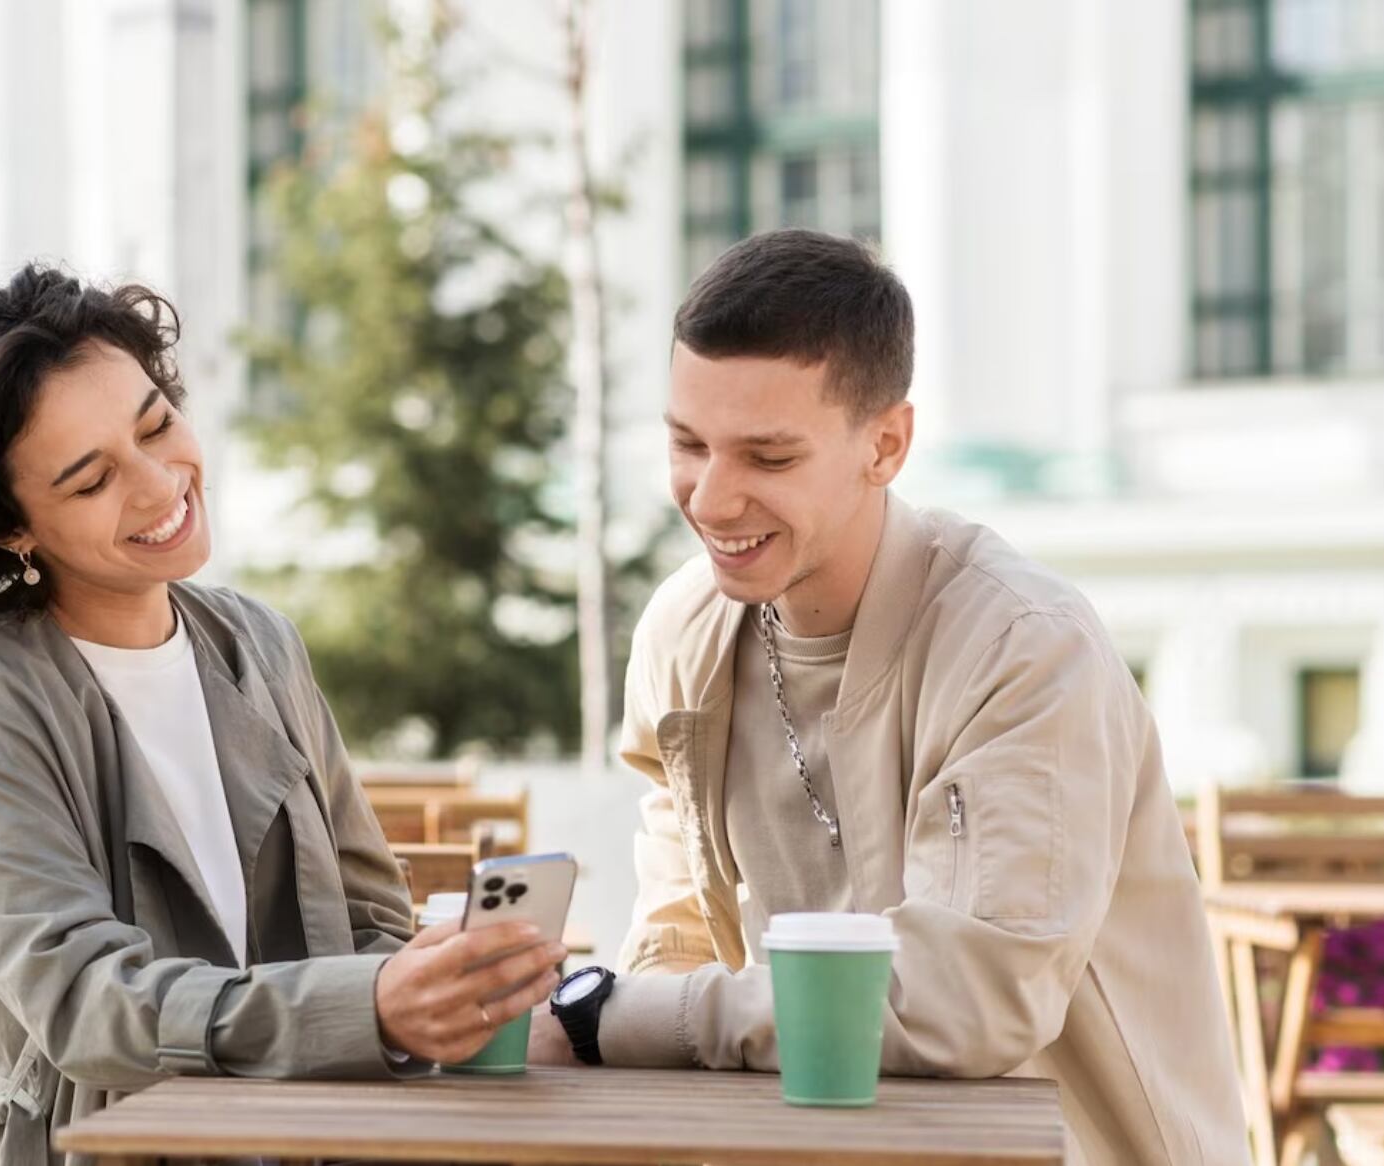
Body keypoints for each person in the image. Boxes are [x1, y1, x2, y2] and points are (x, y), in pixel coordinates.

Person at [0, 265, 563, 1165]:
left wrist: (439, 976)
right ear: (12, 528)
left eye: (157, 425)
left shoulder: (260, 645)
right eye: (91, 481)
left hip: (305, 1144)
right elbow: (86, 1004)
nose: (159, 483)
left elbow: (371, 918)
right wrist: (364, 1006)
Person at [530, 230, 1245, 1164]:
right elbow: (678, 943)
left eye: (768, 457)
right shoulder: (684, 635)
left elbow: (966, 1002)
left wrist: (602, 1015)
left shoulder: (1021, 646)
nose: (710, 497)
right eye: (687, 443)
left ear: (886, 444)